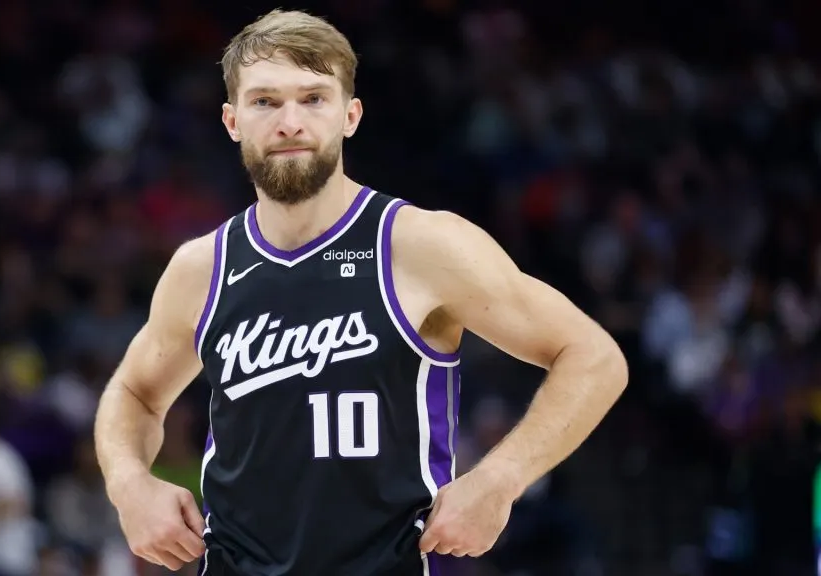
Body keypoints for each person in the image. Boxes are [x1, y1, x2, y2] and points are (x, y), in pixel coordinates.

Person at [94, 9, 628, 576]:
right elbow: (134, 393)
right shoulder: (201, 268)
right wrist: (129, 485)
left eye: (314, 98)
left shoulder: (420, 244)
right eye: (265, 101)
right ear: (232, 121)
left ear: (351, 115)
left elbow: (594, 358)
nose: (290, 122)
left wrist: (501, 477)